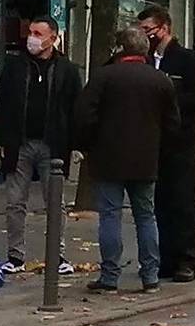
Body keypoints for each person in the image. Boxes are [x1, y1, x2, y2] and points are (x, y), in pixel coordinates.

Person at [75, 27, 176, 293]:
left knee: (110, 216)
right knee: (146, 216)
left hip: (108, 158)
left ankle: (110, 277)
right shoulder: (160, 80)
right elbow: (172, 124)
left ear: (119, 49)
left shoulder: (103, 77)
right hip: (145, 159)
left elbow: (84, 115)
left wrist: (87, 145)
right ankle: (150, 276)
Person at [0, 15, 81, 269]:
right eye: (31, 32)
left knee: (55, 203)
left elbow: (75, 108)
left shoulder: (67, 69)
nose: (32, 38)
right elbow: (2, 104)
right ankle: (15, 256)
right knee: (14, 202)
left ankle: (57, 256)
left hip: (53, 145)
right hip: (19, 142)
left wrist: (75, 144)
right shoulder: (15, 66)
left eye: (39, 34)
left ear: (53, 38)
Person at [137, 6, 195, 283]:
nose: (146, 36)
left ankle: (187, 260)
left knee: (181, 202)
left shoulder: (188, 60)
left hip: (181, 144)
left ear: (164, 28)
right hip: (153, 143)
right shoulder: (143, 60)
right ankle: (164, 258)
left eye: (149, 31)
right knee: (158, 204)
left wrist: (167, 104)